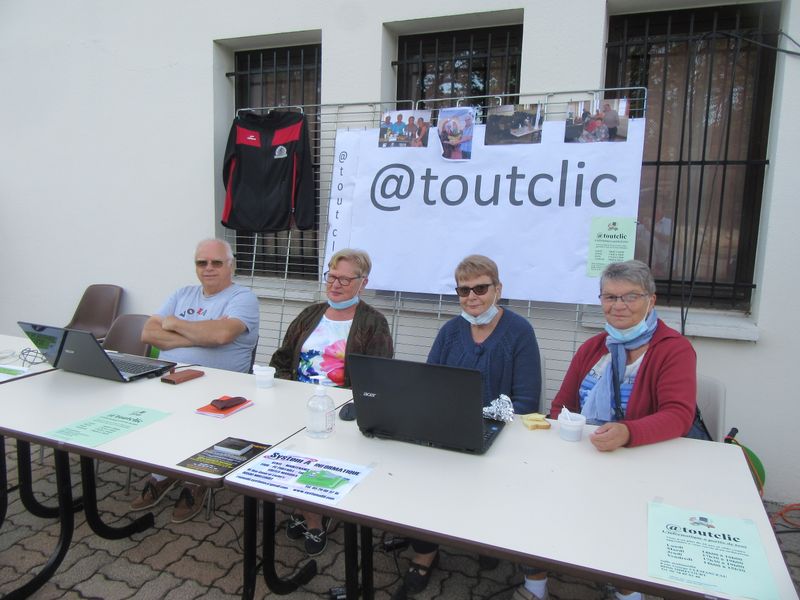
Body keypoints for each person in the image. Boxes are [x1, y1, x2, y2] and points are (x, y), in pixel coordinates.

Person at [521, 260, 697, 600]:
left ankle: (627, 589)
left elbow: (678, 415)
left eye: (630, 296)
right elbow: (562, 405)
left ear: (651, 300)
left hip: (640, 460)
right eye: (610, 297)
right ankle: (535, 584)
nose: (619, 306)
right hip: (584, 453)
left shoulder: (673, 350)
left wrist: (628, 433)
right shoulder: (593, 347)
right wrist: (562, 436)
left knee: (625, 523)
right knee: (534, 497)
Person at [398, 255, 541, 597]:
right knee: (417, 470)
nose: (472, 297)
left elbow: (526, 401)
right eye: (464, 290)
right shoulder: (450, 331)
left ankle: (484, 539)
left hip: (499, 434)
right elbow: (429, 383)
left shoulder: (519, 331)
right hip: (448, 429)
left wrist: (485, 426)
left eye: (480, 288)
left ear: (498, 289)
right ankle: (425, 551)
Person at [270, 248, 393, 555]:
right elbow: (282, 358)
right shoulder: (310, 314)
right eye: (332, 276)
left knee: (317, 449)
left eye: (345, 279)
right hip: (298, 398)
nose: (336, 284)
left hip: (342, 407)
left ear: (363, 283)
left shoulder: (373, 323)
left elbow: (379, 375)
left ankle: (313, 520)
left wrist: (350, 404)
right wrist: (286, 389)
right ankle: (306, 508)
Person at [130, 238, 259, 523]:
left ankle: (195, 481)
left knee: (194, 416)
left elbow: (221, 335)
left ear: (231, 265)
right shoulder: (182, 293)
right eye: (202, 263)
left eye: (216, 262)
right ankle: (162, 474)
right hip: (173, 380)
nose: (208, 268)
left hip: (222, 389)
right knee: (155, 413)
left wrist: (175, 324)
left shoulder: (243, 298)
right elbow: (148, 333)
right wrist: (202, 334)